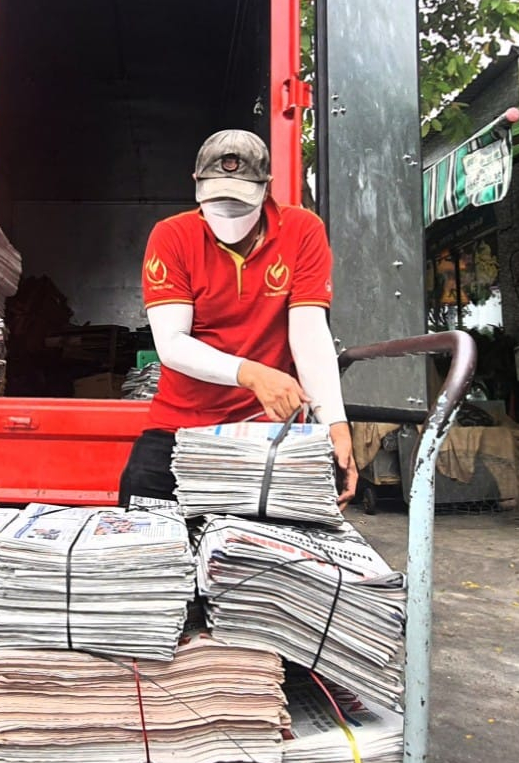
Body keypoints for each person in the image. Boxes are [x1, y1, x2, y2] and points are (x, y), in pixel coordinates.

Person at [119, 128, 358, 508]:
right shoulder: (172, 236)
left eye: (240, 202)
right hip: (179, 425)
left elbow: (310, 334)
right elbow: (172, 343)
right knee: (142, 530)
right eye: (217, 201)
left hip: (265, 430)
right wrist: (252, 373)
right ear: (196, 184)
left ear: (267, 187)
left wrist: (334, 423)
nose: (228, 214)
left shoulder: (303, 231)